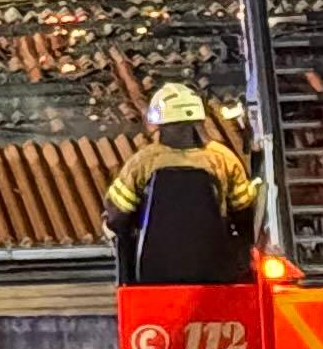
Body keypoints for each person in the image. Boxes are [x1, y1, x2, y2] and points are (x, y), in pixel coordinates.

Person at [100, 82, 258, 286]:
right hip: (217, 269)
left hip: (151, 274)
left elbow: (117, 217)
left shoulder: (142, 163)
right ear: (199, 120)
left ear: (159, 124)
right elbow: (244, 214)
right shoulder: (224, 159)